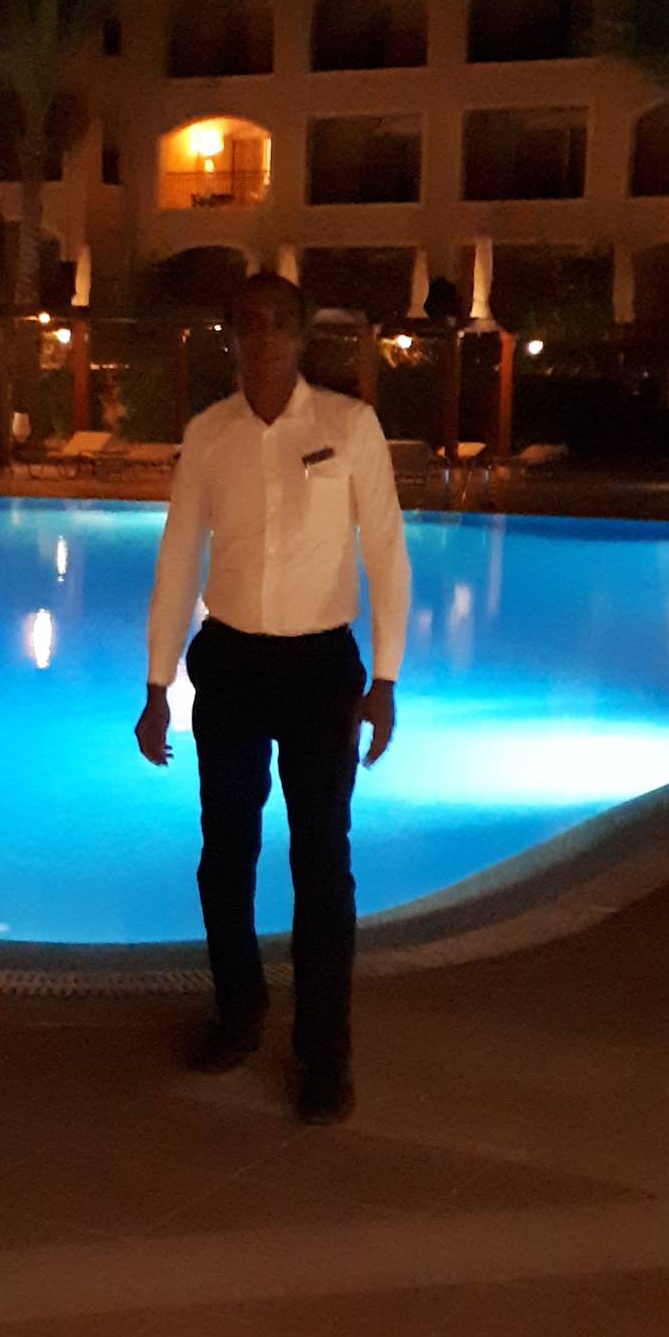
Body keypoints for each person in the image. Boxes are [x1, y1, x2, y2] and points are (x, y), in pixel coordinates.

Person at [135, 272, 410, 1125]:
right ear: (231, 333)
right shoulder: (208, 434)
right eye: (248, 323)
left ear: (300, 334)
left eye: (278, 323)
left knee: (321, 861)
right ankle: (238, 1010)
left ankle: (323, 1053)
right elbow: (178, 556)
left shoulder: (347, 425)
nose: (263, 337)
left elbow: (387, 552)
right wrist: (156, 683)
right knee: (225, 853)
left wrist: (385, 679)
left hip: (321, 670)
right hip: (229, 666)